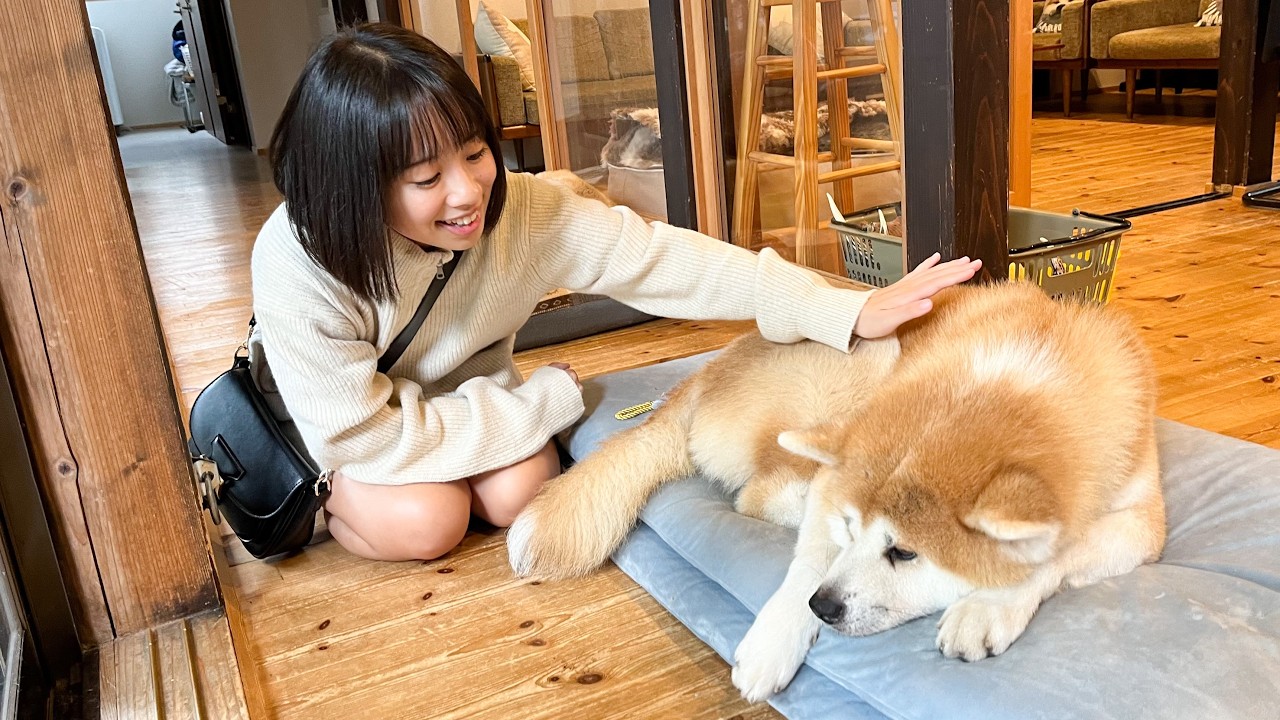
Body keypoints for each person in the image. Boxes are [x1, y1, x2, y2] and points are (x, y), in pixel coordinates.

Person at [251, 23, 982, 562]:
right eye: (425, 179)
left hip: (463, 405)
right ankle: (335, 497)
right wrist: (540, 402)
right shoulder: (298, 260)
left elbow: (673, 262)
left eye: (475, 154)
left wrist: (844, 306)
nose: (468, 191)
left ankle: (461, 467)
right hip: (352, 434)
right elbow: (362, 432)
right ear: (356, 186)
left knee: (519, 490)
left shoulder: (527, 213)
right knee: (427, 524)